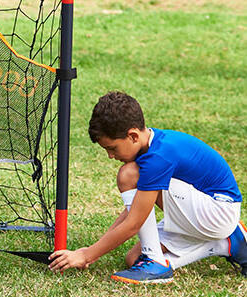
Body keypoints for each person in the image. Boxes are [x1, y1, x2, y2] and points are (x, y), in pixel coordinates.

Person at [49, 91, 246, 283]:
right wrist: (93, 251)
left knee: (128, 174)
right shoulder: (150, 145)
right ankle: (228, 243)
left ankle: (156, 262)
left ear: (133, 136)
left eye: (112, 148)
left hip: (218, 210)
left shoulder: (157, 158)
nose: (110, 156)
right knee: (133, 259)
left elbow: (134, 222)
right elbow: (135, 209)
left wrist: (86, 255)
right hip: (204, 214)